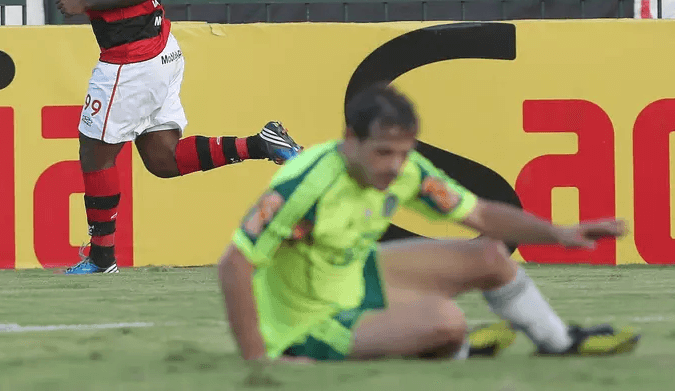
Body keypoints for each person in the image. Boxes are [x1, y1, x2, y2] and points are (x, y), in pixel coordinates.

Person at [218, 84, 640, 361]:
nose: (396, 166)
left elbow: (481, 214)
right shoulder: (304, 186)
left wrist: (558, 233)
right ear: (351, 140)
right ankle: (452, 348)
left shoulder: (406, 170)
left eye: (404, 152)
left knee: (491, 255)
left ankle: (560, 343)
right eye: (384, 152)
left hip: (350, 275)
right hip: (307, 323)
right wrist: (259, 362)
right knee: (447, 321)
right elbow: (235, 262)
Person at [43, 0, 302, 275]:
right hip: (157, 51)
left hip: (133, 59)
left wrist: (84, 2)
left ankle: (102, 258)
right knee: (162, 161)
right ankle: (263, 143)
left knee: (94, 152)